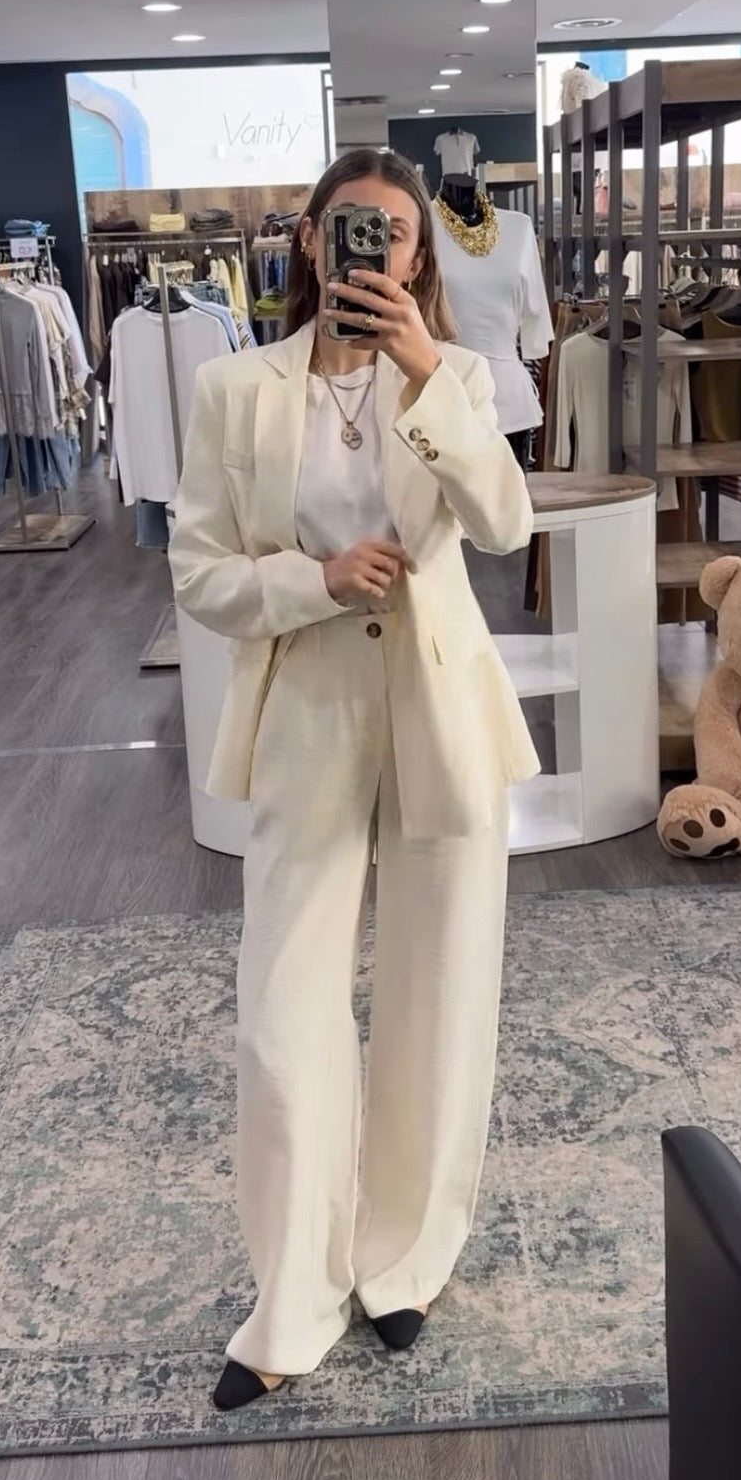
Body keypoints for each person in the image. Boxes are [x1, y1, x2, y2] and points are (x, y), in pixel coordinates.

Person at [169, 147, 540, 1412]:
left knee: (441, 989)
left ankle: (403, 1261)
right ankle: (292, 1295)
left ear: (420, 255)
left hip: (438, 708)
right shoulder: (233, 387)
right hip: (308, 711)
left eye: (393, 232)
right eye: (347, 228)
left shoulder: (461, 379)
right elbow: (198, 572)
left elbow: (503, 524)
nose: (369, 249)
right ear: (311, 242)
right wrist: (312, 581)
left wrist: (425, 372)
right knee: (282, 1012)